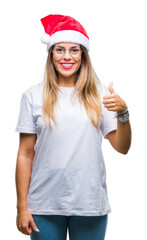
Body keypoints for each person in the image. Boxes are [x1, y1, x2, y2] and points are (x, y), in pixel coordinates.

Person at [15, 14, 131, 240]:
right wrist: (21, 206)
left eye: (74, 50)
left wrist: (123, 113)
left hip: (88, 202)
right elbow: (25, 154)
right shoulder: (32, 96)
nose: (66, 56)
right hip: (43, 205)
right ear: (51, 54)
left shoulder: (101, 94)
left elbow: (122, 147)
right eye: (59, 49)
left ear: (83, 55)